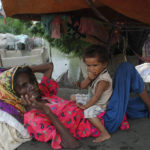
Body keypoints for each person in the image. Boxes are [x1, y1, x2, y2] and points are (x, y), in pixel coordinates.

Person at [0, 62, 108, 149]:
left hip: (97, 111)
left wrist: (23, 70)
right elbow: (72, 144)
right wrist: (47, 112)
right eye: (24, 85)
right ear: (14, 94)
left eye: (31, 81)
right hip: (100, 123)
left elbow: (49, 66)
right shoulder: (33, 119)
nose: (32, 86)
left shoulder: (42, 93)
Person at [70, 45, 112, 142]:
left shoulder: (103, 81)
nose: (91, 69)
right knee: (73, 97)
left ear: (104, 64)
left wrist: (86, 106)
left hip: (100, 104)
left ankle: (105, 134)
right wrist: (89, 78)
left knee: (88, 113)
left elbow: (96, 97)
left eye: (95, 65)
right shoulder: (95, 74)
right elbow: (83, 86)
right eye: (88, 66)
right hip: (91, 97)